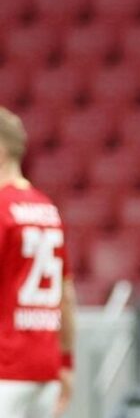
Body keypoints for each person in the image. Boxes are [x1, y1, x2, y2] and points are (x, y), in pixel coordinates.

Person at [0, 108, 76, 417]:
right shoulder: (48, 209)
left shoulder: (2, 208)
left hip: (5, 368)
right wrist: (66, 361)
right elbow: (66, 296)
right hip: (45, 368)